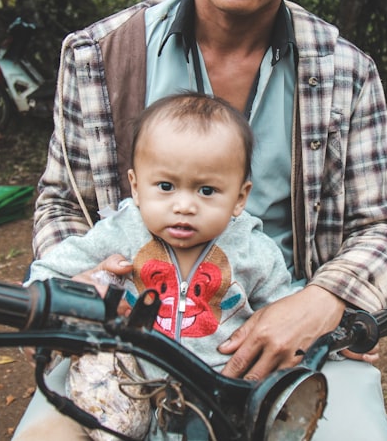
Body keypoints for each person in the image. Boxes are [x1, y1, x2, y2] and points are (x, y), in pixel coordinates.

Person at [14, 0, 387, 441]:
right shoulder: (96, 56)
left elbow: (386, 227)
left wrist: (322, 302)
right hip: (122, 350)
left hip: (282, 352)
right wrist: (82, 278)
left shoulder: (347, 73)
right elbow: (61, 199)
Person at [25, 91, 293, 438]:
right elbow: (47, 275)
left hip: (217, 399)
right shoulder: (121, 233)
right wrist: (69, 291)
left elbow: (282, 314)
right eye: (165, 186)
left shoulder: (254, 251)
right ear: (136, 187)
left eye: (207, 191)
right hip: (124, 389)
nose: (184, 205)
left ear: (240, 197)